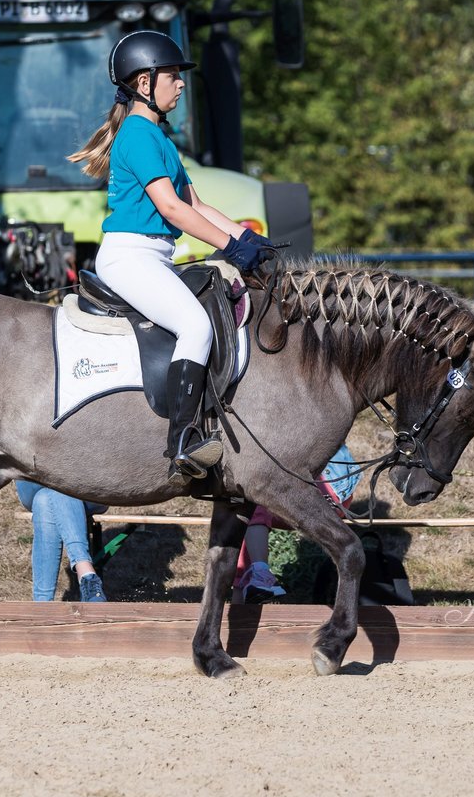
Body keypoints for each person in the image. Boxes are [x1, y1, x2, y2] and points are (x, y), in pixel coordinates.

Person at [68, 30, 273, 485]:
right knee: (195, 324)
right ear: (145, 84)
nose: (181, 84)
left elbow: (197, 205)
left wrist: (251, 241)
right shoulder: (138, 136)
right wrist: (230, 248)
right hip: (129, 258)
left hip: (154, 257)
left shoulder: (159, 138)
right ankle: (183, 440)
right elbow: (172, 209)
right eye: (173, 76)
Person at [234, 445, 361, 604]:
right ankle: (247, 590)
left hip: (326, 489)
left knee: (254, 502)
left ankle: (257, 577)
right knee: (245, 515)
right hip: (324, 488)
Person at [15, 481, 107, 602]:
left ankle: (42, 604)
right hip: (33, 485)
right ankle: (86, 575)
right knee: (58, 482)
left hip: (88, 490)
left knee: (46, 496)